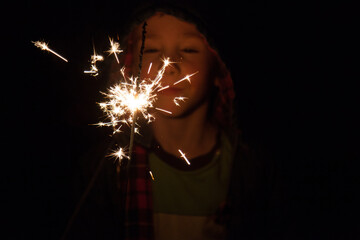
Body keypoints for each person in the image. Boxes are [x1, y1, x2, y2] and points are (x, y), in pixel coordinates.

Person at [66, 3, 282, 240]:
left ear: (219, 70)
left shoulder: (255, 170)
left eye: (189, 49)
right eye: (150, 50)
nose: (167, 65)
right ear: (130, 71)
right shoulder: (104, 172)